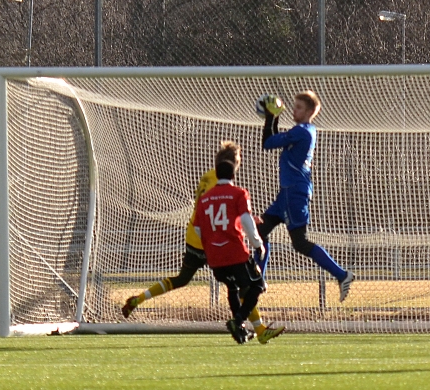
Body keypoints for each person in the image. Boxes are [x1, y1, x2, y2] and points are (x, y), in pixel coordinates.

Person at [122, 142, 284, 344]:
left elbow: (209, 210)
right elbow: (223, 215)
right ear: (234, 164)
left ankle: (141, 297)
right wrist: (246, 224)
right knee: (243, 285)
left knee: (184, 279)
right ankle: (255, 328)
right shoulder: (224, 183)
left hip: (194, 236)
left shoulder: (207, 177)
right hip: (214, 240)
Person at [257, 91, 355, 302]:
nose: (294, 110)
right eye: (294, 106)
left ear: (311, 112)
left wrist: (269, 117)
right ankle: (260, 280)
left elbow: (267, 143)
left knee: (299, 243)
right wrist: (272, 117)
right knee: (259, 232)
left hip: (295, 192)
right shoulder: (303, 130)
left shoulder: (302, 131)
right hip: (286, 193)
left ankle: (342, 275)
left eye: (299, 107)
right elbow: (273, 141)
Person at [193, 147, 268, 344]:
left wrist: (209, 246)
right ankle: (239, 320)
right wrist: (257, 243)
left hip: (214, 257)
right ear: (234, 172)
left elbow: (198, 228)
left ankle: (240, 331)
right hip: (235, 252)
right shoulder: (238, 193)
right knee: (258, 285)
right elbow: (245, 219)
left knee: (232, 287)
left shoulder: (204, 199)